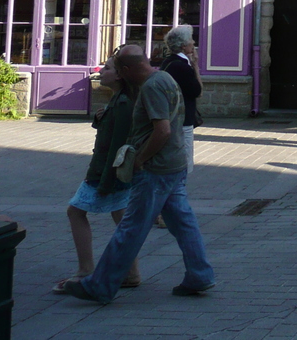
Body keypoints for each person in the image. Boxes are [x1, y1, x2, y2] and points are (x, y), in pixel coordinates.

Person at [61, 45, 215, 303]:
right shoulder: (165, 77)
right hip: (174, 163)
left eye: (119, 69)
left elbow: (162, 130)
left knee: (132, 226)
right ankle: (200, 275)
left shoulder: (152, 87)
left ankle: (100, 284)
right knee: (183, 222)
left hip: (156, 167)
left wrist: (140, 160)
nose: (119, 74)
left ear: (128, 69)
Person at [53, 55, 140, 294]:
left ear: (121, 74)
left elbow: (118, 144)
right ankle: (131, 272)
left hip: (105, 172)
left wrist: (105, 181)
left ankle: (85, 270)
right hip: (112, 173)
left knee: (75, 211)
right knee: (121, 217)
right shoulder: (118, 100)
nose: (101, 71)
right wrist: (99, 118)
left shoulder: (123, 103)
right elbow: (110, 130)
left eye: (108, 68)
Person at [159, 25, 202, 174]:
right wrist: (195, 66)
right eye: (191, 40)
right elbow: (198, 91)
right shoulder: (182, 67)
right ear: (184, 46)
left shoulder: (168, 62)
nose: (193, 43)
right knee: (184, 162)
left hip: (171, 117)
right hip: (182, 120)